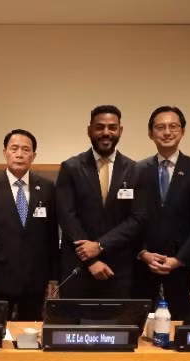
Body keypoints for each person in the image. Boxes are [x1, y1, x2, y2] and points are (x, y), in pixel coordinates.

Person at [0, 129, 58, 320]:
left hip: (35, 280)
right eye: (14, 148)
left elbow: (52, 237)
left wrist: (53, 277)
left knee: (31, 336)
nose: (19, 154)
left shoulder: (48, 188)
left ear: (33, 156)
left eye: (26, 150)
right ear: (4, 152)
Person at [55, 105, 141, 299]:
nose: (106, 133)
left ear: (120, 130)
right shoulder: (71, 167)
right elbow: (66, 216)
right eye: (99, 127)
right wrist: (90, 259)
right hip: (78, 267)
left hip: (117, 268)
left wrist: (100, 245)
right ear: (89, 130)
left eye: (112, 127)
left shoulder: (135, 170)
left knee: (118, 327)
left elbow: (137, 219)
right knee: (72, 328)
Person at [132, 106, 190, 319]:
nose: (167, 132)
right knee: (139, 329)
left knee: (178, 329)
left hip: (180, 267)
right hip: (143, 266)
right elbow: (130, 220)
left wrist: (179, 259)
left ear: (182, 131)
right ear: (150, 133)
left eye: (173, 126)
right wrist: (142, 253)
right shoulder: (136, 170)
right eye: (160, 127)